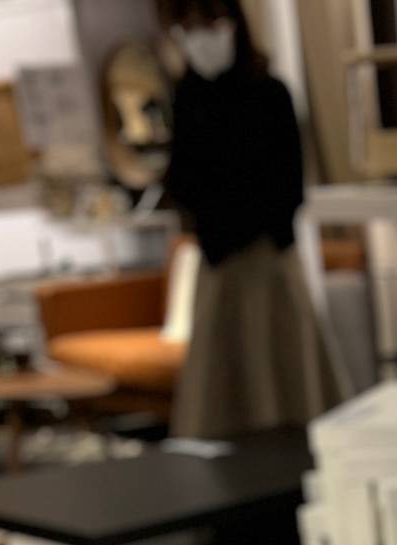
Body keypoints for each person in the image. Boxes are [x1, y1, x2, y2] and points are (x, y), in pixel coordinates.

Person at [164, 0, 338, 438]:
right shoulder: (187, 98)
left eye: (209, 23)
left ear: (233, 25)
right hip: (219, 261)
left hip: (268, 255)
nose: (200, 36)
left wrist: (252, 222)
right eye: (188, 26)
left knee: (289, 377)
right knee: (218, 394)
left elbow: (289, 182)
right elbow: (182, 179)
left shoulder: (270, 93)